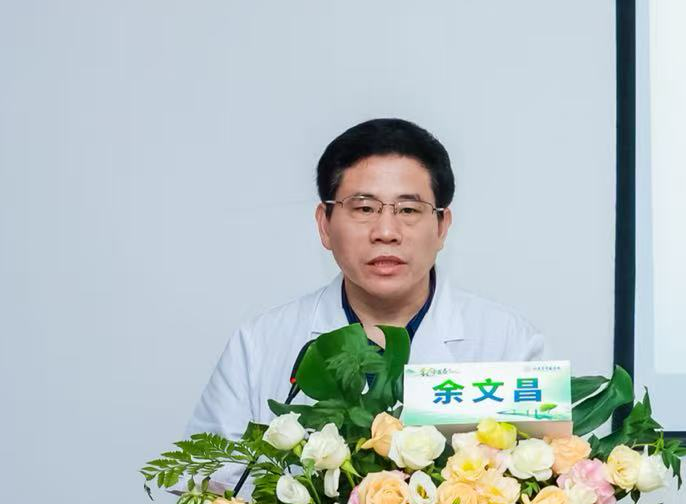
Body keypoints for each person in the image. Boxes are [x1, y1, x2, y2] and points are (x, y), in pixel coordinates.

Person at [189, 117, 545, 443]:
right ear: (325, 225)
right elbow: (209, 483)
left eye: (408, 209)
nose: (386, 231)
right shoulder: (257, 346)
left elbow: (550, 471)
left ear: (441, 227)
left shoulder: (509, 344)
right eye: (363, 208)